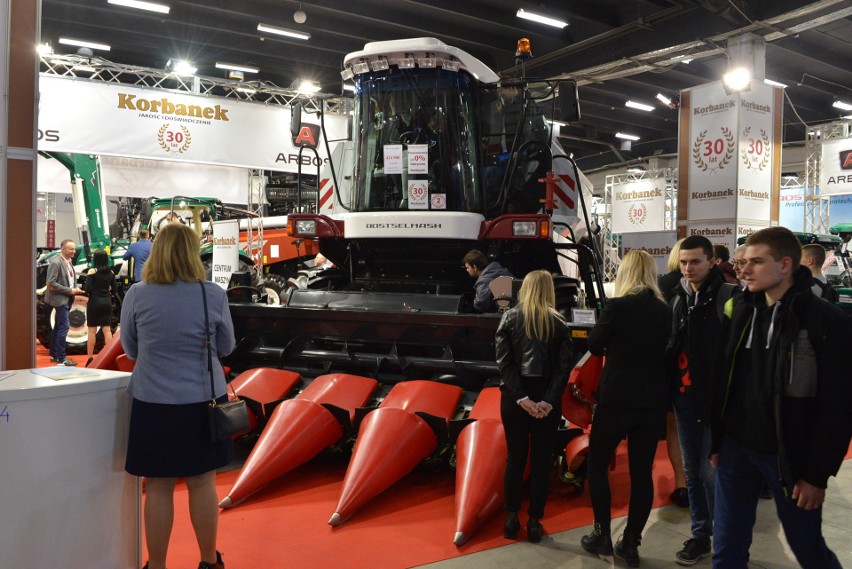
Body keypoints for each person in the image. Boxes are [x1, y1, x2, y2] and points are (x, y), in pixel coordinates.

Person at [711, 226, 852, 569]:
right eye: (742, 261)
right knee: (726, 548)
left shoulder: (826, 321)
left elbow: (839, 406)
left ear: (785, 264)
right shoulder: (739, 309)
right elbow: (723, 379)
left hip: (790, 458)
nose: (743, 269)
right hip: (735, 449)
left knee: (808, 549)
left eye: (756, 262)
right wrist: (717, 442)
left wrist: (817, 474)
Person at [121, 223, 235, 569]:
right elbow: (227, 347)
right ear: (193, 253)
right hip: (204, 401)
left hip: (153, 400)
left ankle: (156, 564)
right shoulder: (212, 294)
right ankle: (207, 560)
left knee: (158, 485)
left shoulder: (138, 294)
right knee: (202, 482)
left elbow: (130, 348)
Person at [581, 251, 673, 567]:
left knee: (597, 463)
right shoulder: (665, 310)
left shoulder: (617, 306)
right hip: (652, 401)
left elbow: (594, 345)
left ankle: (601, 534)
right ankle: (631, 543)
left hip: (616, 398)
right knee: (642, 472)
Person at [669, 235, 738, 566]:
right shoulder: (680, 299)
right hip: (684, 401)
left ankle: (722, 536)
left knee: (712, 474)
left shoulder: (728, 297)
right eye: (683, 262)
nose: (688, 268)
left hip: (714, 404)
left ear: (712, 261)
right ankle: (701, 535)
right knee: (692, 472)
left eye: (695, 261)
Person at [495, 270, 573, 544]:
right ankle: (535, 522)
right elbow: (564, 370)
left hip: (516, 400)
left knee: (515, 459)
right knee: (541, 462)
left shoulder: (509, 317)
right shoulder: (560, 322)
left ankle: (510, 519)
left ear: (524, 288)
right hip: (546, 402)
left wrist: (521, 398)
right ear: (549, 290)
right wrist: (548, 402)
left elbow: (504, 364)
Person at [657, 239, 689, 508]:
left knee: (673, 427)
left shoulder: (663, 285)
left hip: (670, 367)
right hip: (692, 368)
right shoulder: (721, 289)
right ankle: (689, 483)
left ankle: (682, 483)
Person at [45, 238, 85, 366]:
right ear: (63, 249)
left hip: (65, 298)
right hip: (60, 299)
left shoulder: (68, 261)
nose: (74, 251)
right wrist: (70, 290)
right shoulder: (56, 262)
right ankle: (62, 358)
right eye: (71, 249)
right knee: (64, 327)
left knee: (58, 327)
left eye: (74, 249)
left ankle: (55, 355)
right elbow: (51, 284)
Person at [83, 250, 116, 366]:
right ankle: (111, 357)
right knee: (107, 330)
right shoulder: (111, 272)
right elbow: (115, 290)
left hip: (94, 302)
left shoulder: (92, 271)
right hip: (106, 302)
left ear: (95, 259)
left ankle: (90, 358)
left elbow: (87, 290)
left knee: (92, 331)